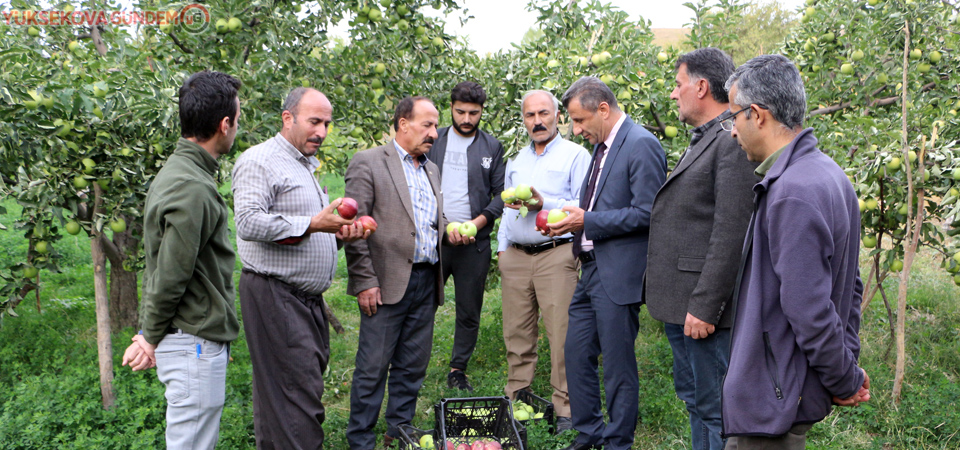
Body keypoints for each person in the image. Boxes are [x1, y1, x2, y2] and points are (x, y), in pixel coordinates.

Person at [720, 54, 870, 449]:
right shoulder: (828, 174)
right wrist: (846, 365)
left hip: (775, 396)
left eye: (733, 117)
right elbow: (850, 286)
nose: (731, 131)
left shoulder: (791, 191)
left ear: (757, 114)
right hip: (787, 385)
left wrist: (843, 378)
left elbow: (810, 309)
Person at [232, 87, 368, 450]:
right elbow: (247, 222)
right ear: (287, 118)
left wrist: (339, 235)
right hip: (275, 295)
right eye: (314, 122)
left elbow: (310, 228)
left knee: (285, 398)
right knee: (296, 399)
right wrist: (312, 224)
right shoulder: (259, 160)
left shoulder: (304, 166)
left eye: (326, 123)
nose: (322, 132)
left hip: (304, 299)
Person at [120, 70, 242, 450]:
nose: (238, 127)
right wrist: (149, 336)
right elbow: (172, 273)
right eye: (238, 120)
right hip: (193, 343)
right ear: (224, 125)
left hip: (190, 340)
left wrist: (150, 335)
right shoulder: (192, 187)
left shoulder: (179, 171)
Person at [644, 48, 757, 450]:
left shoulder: (730, 140)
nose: (674, 94)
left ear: (702, 86)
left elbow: (730, 231)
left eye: (678, 85)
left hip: (702, 310)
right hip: (682, 305)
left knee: (714, 409)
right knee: (696, 401)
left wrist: (706, 305)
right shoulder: (707, 138)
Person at [545, 77, 667, 450]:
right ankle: (589, 433)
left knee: (617, 366)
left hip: (618, 272)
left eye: (580, 121)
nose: (576, 130)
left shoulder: (641, 144)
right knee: (576, 353)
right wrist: (573, 224)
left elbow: (649, 213)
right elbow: (598, 203)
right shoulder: (602, 146)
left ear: (603, 109)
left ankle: (618, 442)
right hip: (591, 268)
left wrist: (588, 222)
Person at [344, 96, 472, 450]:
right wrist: (365, 281)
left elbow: (431, 217)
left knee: (412, 364)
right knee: (373, 367)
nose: (434, 133)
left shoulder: (430, 168)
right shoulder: (369, 162)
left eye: (435, 126)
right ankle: (360, 440)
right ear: (403, 124)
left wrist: (448, 229)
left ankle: (398, 428)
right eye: (427, 125)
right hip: (386, 282)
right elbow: (354, 227)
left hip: (426, 278)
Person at [496, 89, 590, 433]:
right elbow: (508, 210)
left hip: (556, 254)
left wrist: (543, 204)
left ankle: (565, 409)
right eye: (529, 115)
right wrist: (502, 247)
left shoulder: (575, 156)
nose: (537, 121)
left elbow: (581, 204)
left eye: (543, 114)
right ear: (523, 120)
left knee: (561, 334)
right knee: (516, 334)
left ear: (557, 117)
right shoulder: (517, 160)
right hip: (517, 257)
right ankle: (517, 401)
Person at [425, 81, 506, 392]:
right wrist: (445, 227)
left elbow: (500, 195)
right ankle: (410, 360)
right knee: (423, 303)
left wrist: (478, 222)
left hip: (475, 243)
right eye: (461, 112)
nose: (467, 118)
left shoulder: (492, 147)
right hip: (435, 238)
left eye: (474, 112)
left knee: (469, 309)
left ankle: (458, 368)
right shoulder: (434, 140)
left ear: (482, 111)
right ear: (451, 108)